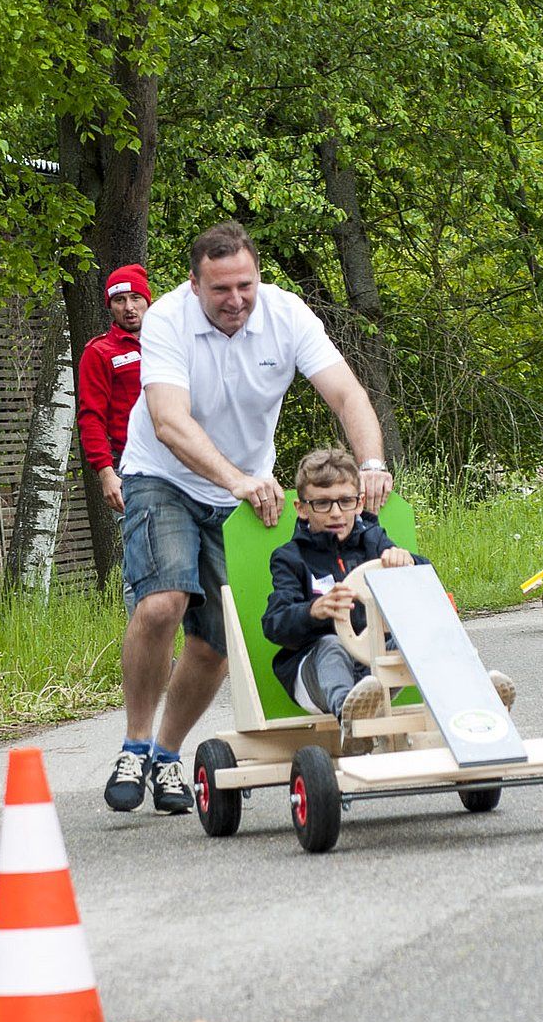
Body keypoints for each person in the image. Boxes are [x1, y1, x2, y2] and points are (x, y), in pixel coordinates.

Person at [105, 222, 397, 814]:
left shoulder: (287, 316)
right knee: (164, 600)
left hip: (244, 492)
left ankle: (166, 756)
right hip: (165, 477)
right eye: (220, 290)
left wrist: (370, 461)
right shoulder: (165, 320)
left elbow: (346, 394)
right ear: (194, 285)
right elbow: (168, 420)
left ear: (257, 276)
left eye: (245, 285)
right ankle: (134, 745)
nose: (235, 300)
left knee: (217, 641)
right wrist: (237, 479)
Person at [263, 447, 516, 750]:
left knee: (423, 636)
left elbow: (428, 587)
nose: (335, 512)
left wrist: (409, 563)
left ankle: (476, 700)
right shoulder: (290, 558)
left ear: (358, 503)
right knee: (331, 645)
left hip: (376, 671)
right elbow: (275, 624)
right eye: (322, 503)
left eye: (345, 501)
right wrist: (313, 611)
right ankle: (354, 723)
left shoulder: (373, 541)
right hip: (316, 676)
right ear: (302, 508)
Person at [76, 265, 150, 519]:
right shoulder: (99, 352)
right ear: (110, 306)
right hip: (129, 464)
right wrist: (107, 473)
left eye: (135, 298)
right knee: (142, 549)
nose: (129, 307)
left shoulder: (170, 343)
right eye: (120, 300)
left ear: (147, 301)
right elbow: (90, 417)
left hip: (180, 459)